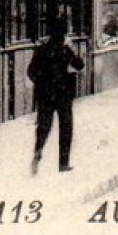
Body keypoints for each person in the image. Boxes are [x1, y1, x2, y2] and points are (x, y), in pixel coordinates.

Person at [28, 21, 85, 174]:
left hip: (45, 95)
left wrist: (42, 83)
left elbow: (31, 71)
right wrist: (72, 49)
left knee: (44, 126)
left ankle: (38, 151)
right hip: (63, 94)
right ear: (63, 35)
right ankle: (63, 163)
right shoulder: (65, 50)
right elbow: (80, 65)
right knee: (66, 127)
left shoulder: (42, 50)